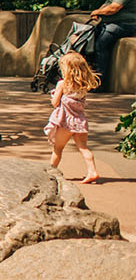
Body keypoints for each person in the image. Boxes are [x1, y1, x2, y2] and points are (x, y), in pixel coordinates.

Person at [45, 51, 100, 184]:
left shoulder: (62, 84)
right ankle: (92, 171)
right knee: (83, 147)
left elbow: (55, 103)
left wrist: (53, 95)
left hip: (65, 122)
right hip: (80, 121)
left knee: (57, 149)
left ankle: (51, 172)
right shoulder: (83, 86)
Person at [88, 0, 136, 91]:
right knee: (89, 37)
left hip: (125, 25)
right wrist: (98, 12)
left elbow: (114, 8)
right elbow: (106, 4)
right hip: (112, 23)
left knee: (101, 44)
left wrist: (98, 12)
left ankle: (100, 82)